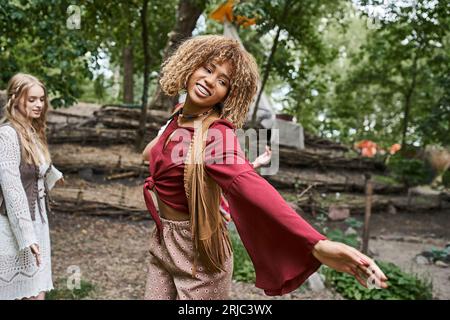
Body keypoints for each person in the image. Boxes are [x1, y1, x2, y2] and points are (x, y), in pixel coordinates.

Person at [141, 35, 388, 300]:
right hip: (163, 241)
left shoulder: (215, 134)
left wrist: (316, 243)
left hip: (199, 255)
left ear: (229, 94)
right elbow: (151, 155)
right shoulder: (180, 115)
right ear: (191, 64)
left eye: (223, 81)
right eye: (208, 68)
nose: (210, 81)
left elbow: (249, 186)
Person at [0, 73, 63, 300]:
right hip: (12, 228)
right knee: (19, 293)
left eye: (42, 99)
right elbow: (12, 190)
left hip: (38, 223)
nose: (39, 105)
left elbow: (35, 167)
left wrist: (53, 175)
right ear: (15, 99)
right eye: (32, 99)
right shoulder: (7, 135)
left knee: (38, 292)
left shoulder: (33, 132)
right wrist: (27, 238)